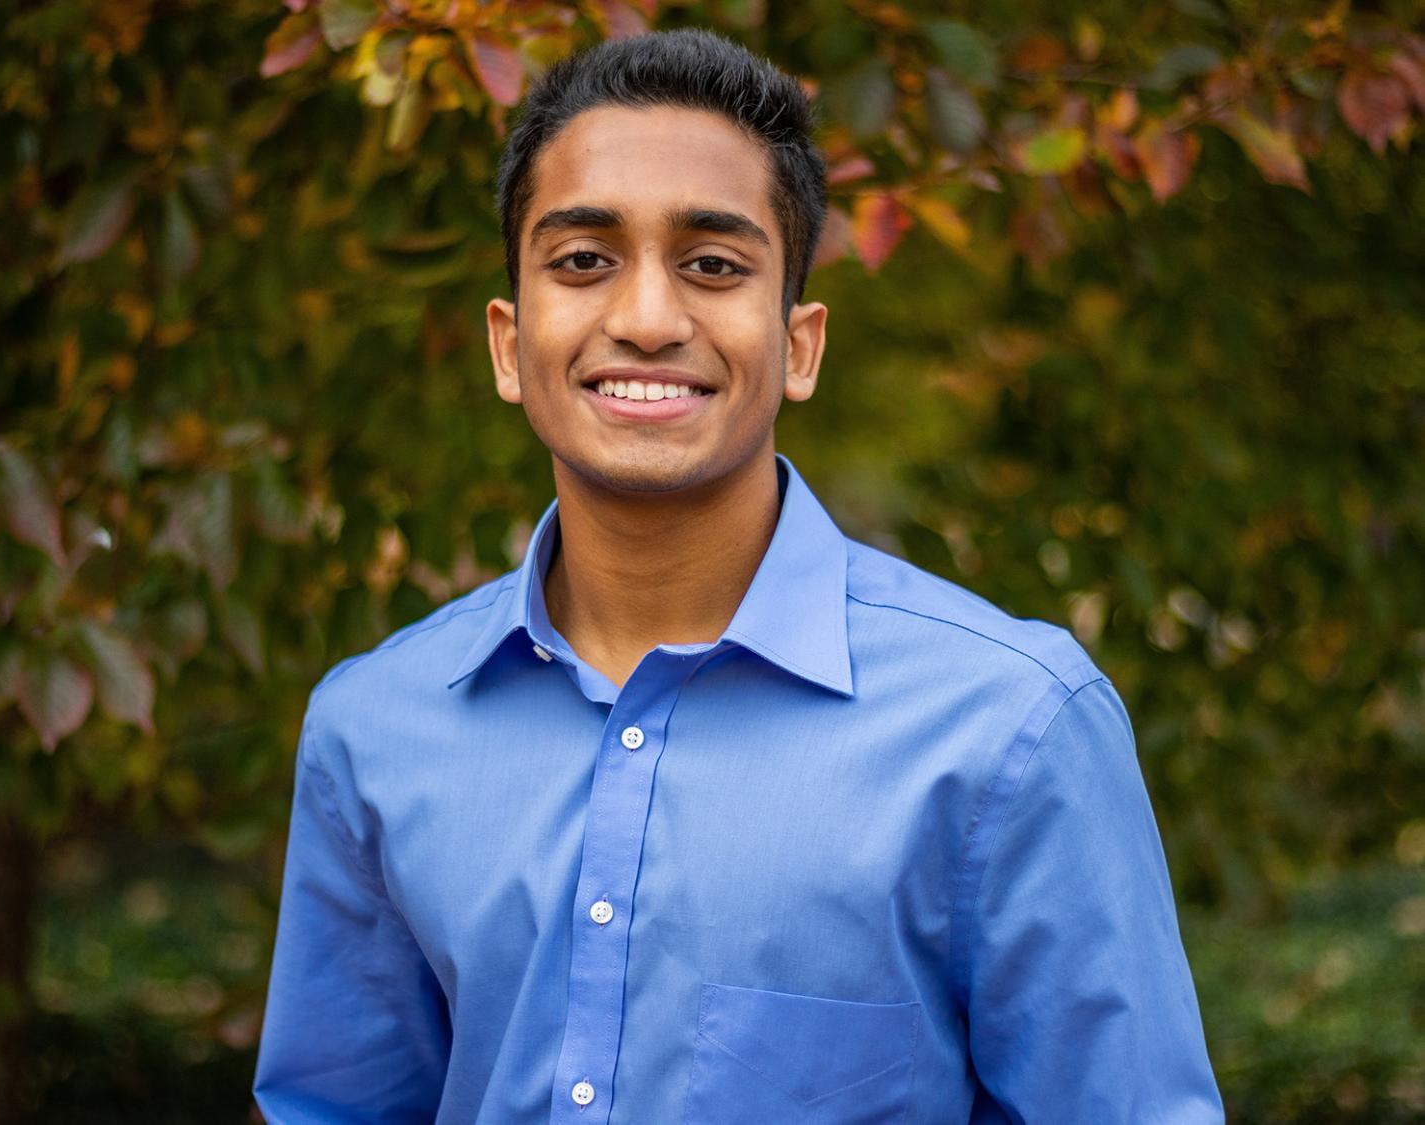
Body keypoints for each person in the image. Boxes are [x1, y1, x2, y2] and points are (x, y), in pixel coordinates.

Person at [253, 28, 1223, 1124]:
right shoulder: (375, 727)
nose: (648, 320)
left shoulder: (1010, 727)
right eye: (583, 261)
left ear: (799, 345)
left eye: (713, 265)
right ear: (508, 344)